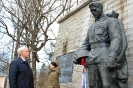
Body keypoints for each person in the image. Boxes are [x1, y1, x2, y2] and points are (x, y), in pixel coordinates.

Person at [73, 1, 128, 88]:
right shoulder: (91, 27)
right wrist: (79, 55)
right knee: (93, 85)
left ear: (100, 9)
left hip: (105, 55)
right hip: (92, 58)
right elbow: (85, 44)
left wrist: (112, 56)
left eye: (95, 10)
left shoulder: (110, 21)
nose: (93, 12)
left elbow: (116, 39)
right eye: (91, 11)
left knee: (108, 85)